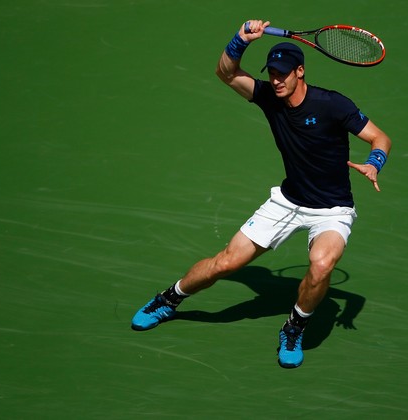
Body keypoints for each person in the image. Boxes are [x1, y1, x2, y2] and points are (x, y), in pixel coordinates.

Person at [130, 19, 392, 369]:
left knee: (322, 263)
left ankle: (295, 326)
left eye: (283, 73)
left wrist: (374, 163)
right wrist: (240, 39)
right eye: (272, 73)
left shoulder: (333, 105)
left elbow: (381, 138)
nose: (276, 80)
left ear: (300, 72)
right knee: (226, 263)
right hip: (286, 201)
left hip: (332, 209)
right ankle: (168, 299)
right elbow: (226, 73)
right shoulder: (269, 97)